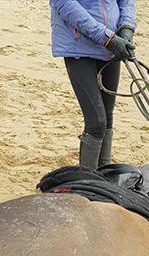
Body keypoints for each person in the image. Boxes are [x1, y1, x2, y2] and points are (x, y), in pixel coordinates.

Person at [50, 0, 137, 169]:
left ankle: (103, 174)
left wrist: (126, 27)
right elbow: (65, 5)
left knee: (107, 117)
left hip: (111, 49)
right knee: (97, 122)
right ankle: (88, 180)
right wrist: (107, 38)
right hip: (80, 49)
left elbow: (126, 2)